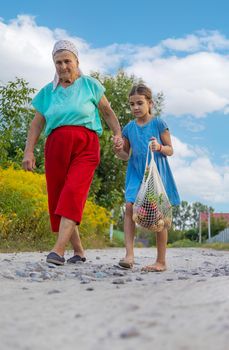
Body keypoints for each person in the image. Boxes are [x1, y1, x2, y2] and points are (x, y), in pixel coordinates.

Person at [22, 39, 123, 265]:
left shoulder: (90, 85)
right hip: (56, 145)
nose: (63, 66)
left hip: (86, 144)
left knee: (73, 193)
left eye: (67, 61)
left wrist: (118, 134)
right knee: (59, 197)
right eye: (58, 62)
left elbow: (107, 112)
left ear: (77, 61)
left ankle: (57, 250)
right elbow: (36, 124)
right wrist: (28, 151)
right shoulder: (48, 92)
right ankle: (78, 251)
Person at [114, 83, 180, 272]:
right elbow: (125, 155)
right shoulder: (128, 128)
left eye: (139, 103)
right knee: (129, 207)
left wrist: (159, 147)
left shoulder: (159, 123)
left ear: (149, 103)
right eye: (132, 104)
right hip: (136, 173)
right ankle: (129, 255)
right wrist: (118, 150)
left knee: (159, 216)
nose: (135, 108)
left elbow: (170, 150)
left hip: (156, 173)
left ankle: (161, 261)